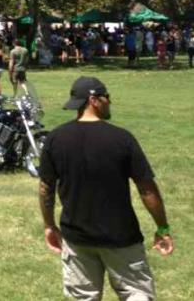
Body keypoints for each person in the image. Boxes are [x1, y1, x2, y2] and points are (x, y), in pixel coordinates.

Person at [38, 77, 173, 300]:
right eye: (107, 97)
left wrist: (49, 225)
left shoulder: (55, 138)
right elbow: (146, 189)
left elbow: (46, 188)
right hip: (121, 237)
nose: (110, 101)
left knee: (83, 297)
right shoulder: (122, 138)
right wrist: (162, 228)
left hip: (77, 238)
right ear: (94, 100)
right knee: (137, 294)